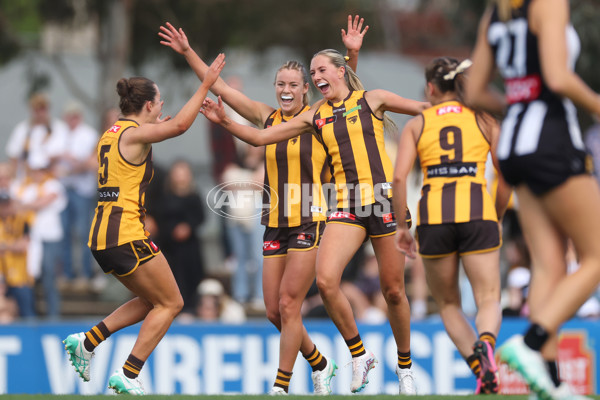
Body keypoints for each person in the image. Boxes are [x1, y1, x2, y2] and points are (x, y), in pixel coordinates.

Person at [201, 45, 429, 394]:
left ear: (340, 70)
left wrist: (456, 110)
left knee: (394, 291)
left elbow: (424, 111)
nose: (317, 76)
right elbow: (261, 137)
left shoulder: (373, 99)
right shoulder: (315, 115)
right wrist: (225, 120)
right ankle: (358, 356)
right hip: (347, 204)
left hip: (382, 202)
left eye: (322, 70)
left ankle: (405, 367)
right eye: (314, 71)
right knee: (325, 282)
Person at [159, 15, 368, 395]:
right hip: (274, 221)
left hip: (310, 219)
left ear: (307, 89)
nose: (286, 90)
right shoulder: (265, 116)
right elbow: (218, 84)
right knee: (274, 311)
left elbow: (343, 90)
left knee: (290, 304)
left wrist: (351, 56)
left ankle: (281, 386)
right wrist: (189, 52)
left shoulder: (317, 116)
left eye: (293, 85)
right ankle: (320, 363)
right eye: (280, 85)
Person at [61, 50, 226, 395]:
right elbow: (180, 125)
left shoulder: (110, 133)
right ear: (148, 105)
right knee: (173, 303)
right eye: (159, 99)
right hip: (125, 233)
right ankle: (129, 373)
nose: (162, 103)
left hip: (103, 237)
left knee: (154, 301)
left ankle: (87, 342)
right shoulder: (134, 135)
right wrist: (206, 84)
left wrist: (153, 126)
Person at [465, 0, 600, 398]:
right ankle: (531, 342)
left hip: (515, 146)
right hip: (553, 143)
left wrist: (519, 105)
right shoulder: (549, 3)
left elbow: (474, 89)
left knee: (549, 265)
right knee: (596, 256)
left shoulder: (497, 11)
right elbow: (558, 78)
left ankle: (551, 380)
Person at [392, 57, 511, 394]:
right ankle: (486, 345)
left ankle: (479, 369)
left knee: (447, 304)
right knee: (488, 298)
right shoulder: (484, 119)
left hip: (434, 218)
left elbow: (399, 177)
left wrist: (403, 226)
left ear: (431, 87)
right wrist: (497, 214)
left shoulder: (418, 123)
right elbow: (506, 175)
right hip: (477, 212)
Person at [55, 101, 99, 288]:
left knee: (83, 232)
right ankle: (67, 273)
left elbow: (91, 162)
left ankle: (85, 273)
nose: (72, 119)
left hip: (82, 189)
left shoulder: (89, 134)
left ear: (79, 117)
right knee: (64, 232)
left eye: (75, 115)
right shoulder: (59, 133)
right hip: (63, 189)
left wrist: (71, 164)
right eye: (69, 116)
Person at [156, 159, 205, 315]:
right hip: (169, 247)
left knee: (191, 275)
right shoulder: (164, 196)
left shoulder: (194, 196)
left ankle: (190, 307)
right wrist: (172, 231)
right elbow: (160, 218)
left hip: (189, 247)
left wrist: (188, 227)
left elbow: (200, 217)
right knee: (172, 277)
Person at [6, 92, 68, 179]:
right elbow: (13, 157)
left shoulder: (59, 128)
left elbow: (60, 154)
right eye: (37, 109)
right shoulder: (22, 129)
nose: (40, 113)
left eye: (43, 109)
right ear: (31, 110)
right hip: (26, 179)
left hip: (51, 179)